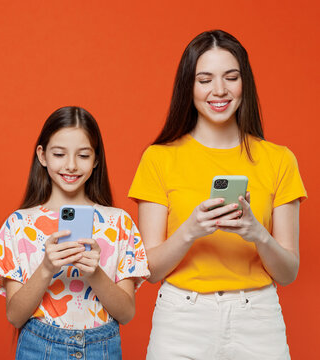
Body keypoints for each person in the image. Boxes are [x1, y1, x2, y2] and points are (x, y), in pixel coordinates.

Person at [129, 30, 307, 359]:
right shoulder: (159, 158)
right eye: (205, 79)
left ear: (245, 83)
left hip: (258, 318)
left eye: (231, 77)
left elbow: (288, 273)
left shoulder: (279, 159)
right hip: (181, 318)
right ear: (189, 86)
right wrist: (191, 231)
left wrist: (258, 235)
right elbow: (149, 271)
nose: (219, 90)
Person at [0, 106, 150, 359]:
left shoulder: (119, 223)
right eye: (59, 154)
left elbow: (127, 313)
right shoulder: (19, 224)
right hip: (39, 347)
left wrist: (94, 273)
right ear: (42, 155)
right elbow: (15, 315)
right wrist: (45, 269)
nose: (71, 165)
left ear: (96, 159)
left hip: (102, 348)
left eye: (83, 155)